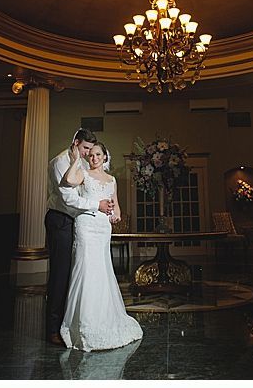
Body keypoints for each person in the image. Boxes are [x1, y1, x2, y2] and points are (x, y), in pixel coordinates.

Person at [59, 142, 143, 351]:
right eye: (91, 155)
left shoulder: (112, 180)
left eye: (98, 154)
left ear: (105, 157)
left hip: (103, 228)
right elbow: (68, 180)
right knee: (85, 270)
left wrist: (115, 215)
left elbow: (116, 208)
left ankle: (104, 318)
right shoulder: (82, 173)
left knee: (102, 271)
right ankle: (83, 324)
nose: (94, 157)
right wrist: (75, 159)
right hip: (86, 225)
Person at [45, 128, 115, 346]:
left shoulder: (83, 161)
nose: (88, 154)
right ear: (75, 143)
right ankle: (53, 329)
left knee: (78, 273)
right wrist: (98, 205)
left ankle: (74, 321)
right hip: (60, 219)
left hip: (80, 221)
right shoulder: (59, 162)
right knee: (60, 274)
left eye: (91, 150)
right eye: (85, 148)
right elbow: (68, 198)